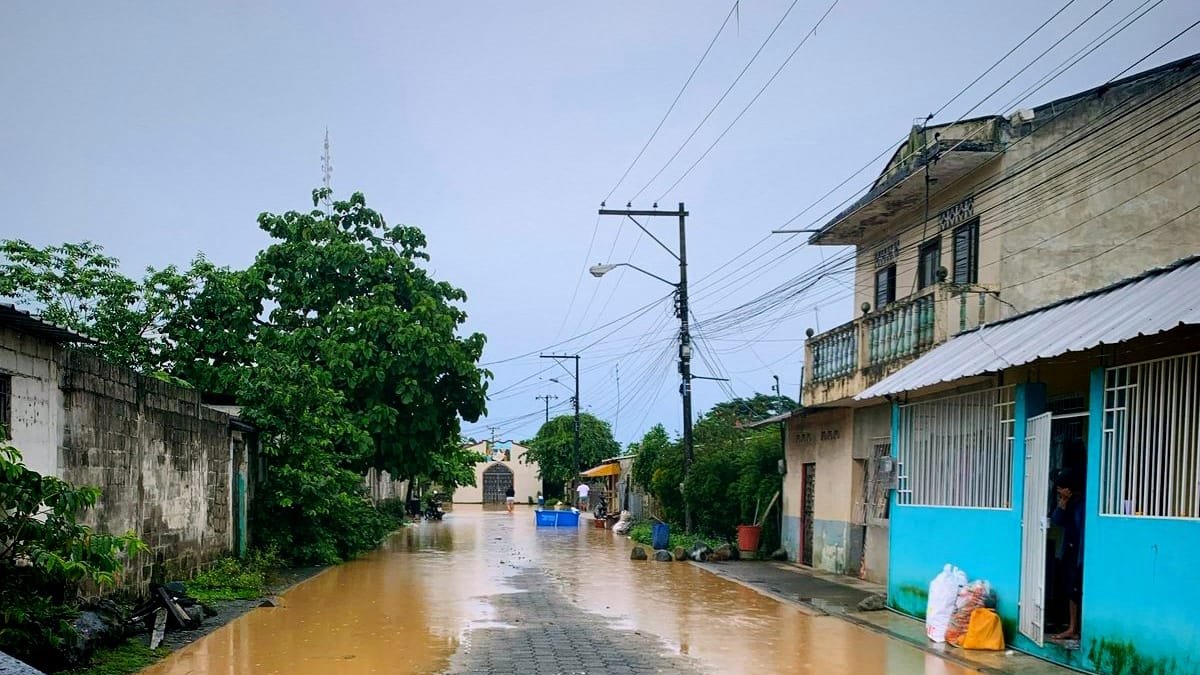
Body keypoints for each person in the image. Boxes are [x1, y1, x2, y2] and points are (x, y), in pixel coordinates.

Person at [1049, 468, 1084, 640]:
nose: (1059, 492)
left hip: (1078, 552)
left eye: (1061, 489)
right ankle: (1071, 627)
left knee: (1075, 589)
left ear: (1069, 488)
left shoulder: (1080, 505)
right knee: (1069, 589)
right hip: (1068, 550)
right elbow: (1056, 520)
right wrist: (1062, 502)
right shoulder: (1068, 503)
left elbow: (1080, 529)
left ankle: (1073, 628)